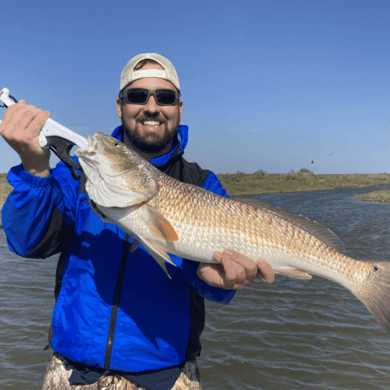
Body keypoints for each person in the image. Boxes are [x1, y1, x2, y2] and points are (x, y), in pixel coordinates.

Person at [0, 53, 274, 390]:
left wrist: (214, 278)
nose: (151, 106)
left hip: (169, 377)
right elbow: (28, 242)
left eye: (165, 97)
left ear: (179, 108)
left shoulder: (202, 183)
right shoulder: (79, 175)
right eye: (137, 95)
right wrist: (34, 168)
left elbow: (211, 279)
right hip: (72, 373)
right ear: (120, 105)